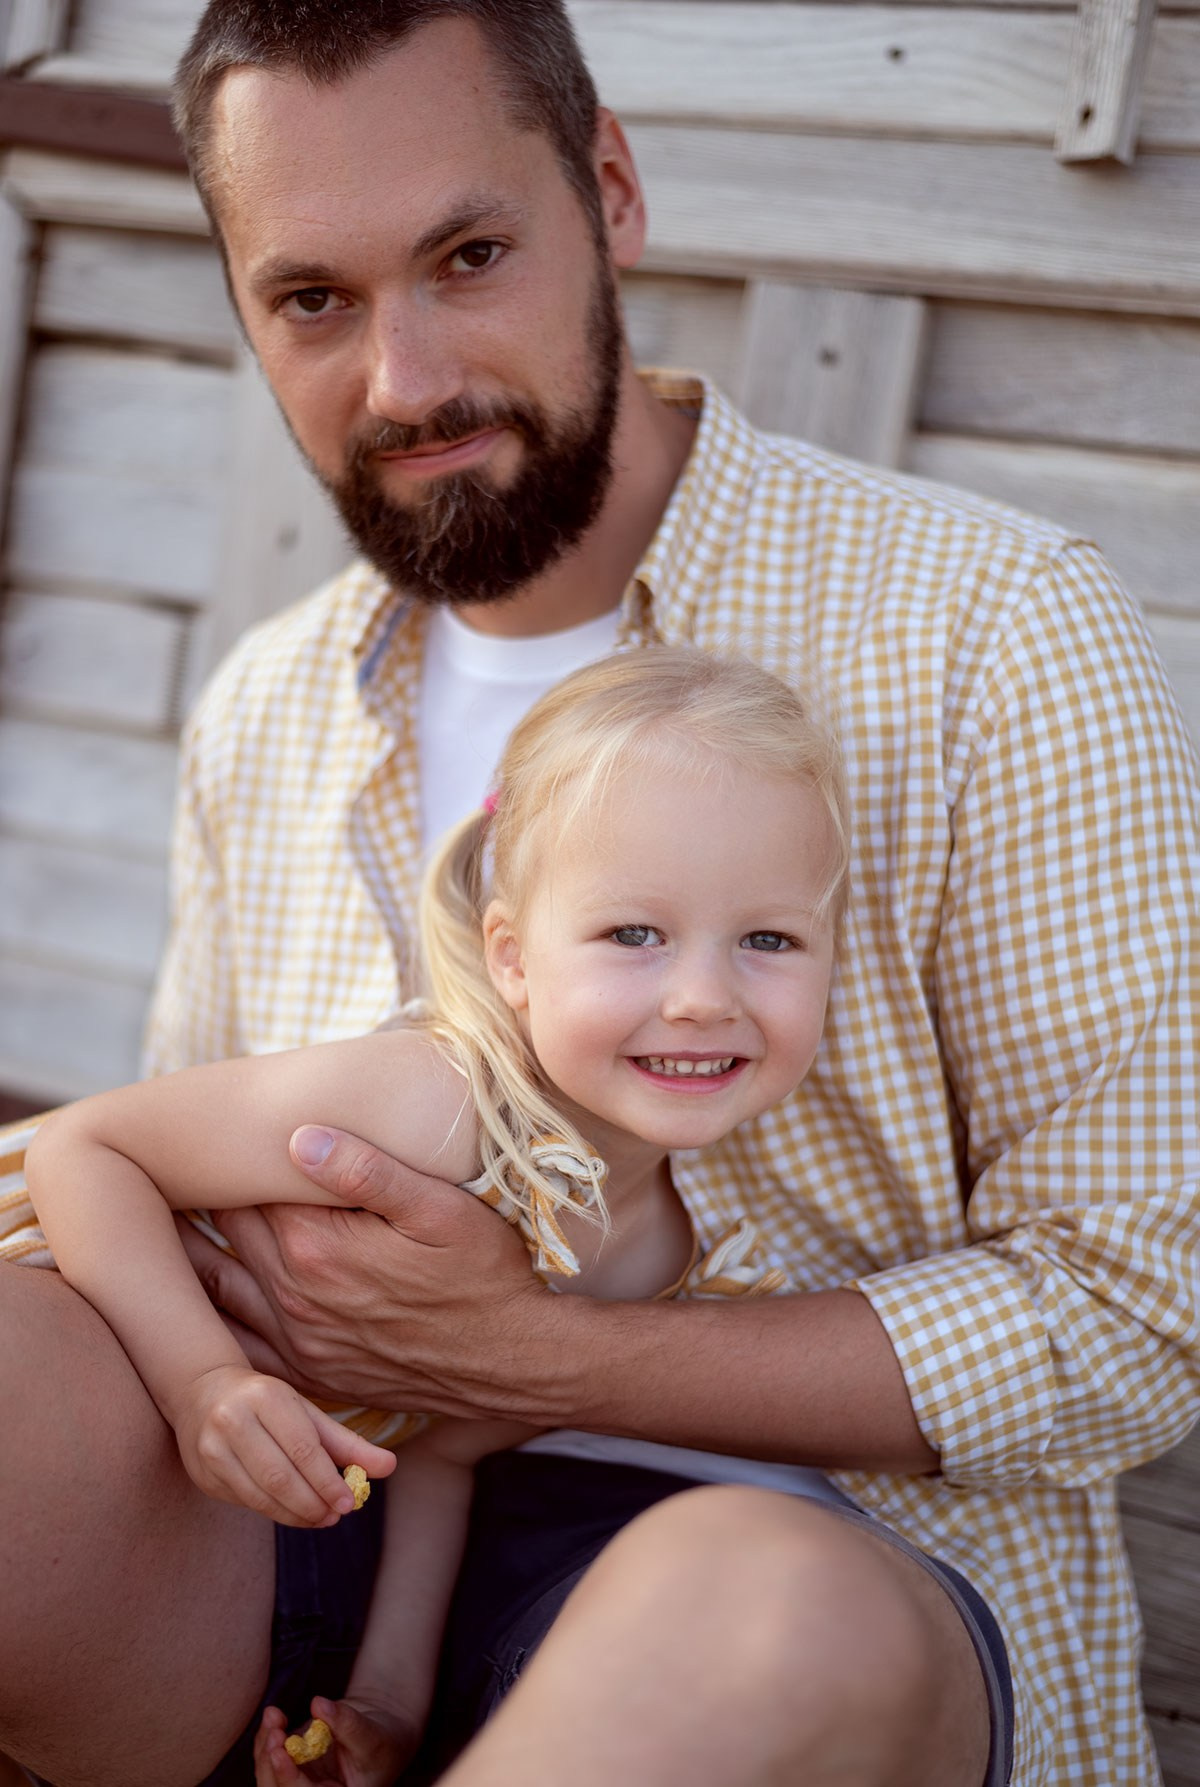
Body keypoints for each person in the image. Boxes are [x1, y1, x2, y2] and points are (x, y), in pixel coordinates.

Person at [0, 1, 1195, 1783]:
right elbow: (152, 1212)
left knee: (758, 1610)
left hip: (824, 1580)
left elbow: (1135, 1312)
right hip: (324, 1536)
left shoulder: (987, 630)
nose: (403, 379)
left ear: (610, 194)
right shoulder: (266, 705)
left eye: (468, 255)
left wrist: (535, 1351)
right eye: (313, 299)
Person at [28, 646, 859, 1785]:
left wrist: (387, 1698)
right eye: (633, 934)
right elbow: (91, 1145)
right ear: (512, 958)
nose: (705, 993)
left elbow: (442, 1449)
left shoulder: (655, 1246)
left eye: (769, 938)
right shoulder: (434, 1104)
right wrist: (203, 1383)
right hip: (88, 1309)